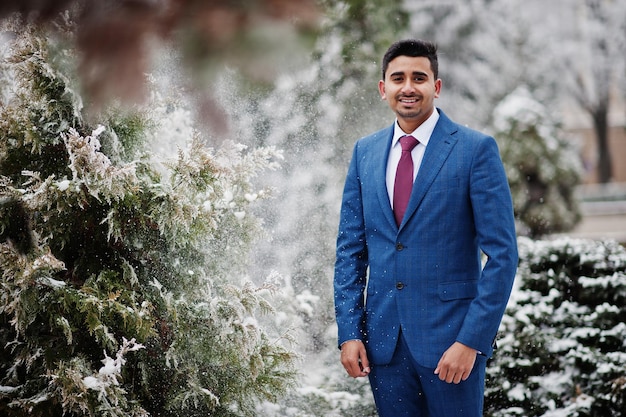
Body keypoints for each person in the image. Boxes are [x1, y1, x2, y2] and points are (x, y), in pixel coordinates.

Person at [333, 39, 518, 417]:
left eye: (419, 77)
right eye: (398, 78)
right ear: (383, 88)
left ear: (437, 86)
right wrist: (350, 332)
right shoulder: (364, 153)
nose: (409, 87)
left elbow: (502, 255)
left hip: (452, 345)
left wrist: (471, 341)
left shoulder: (474, 150)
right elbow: (350, 253)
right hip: (384, 345)